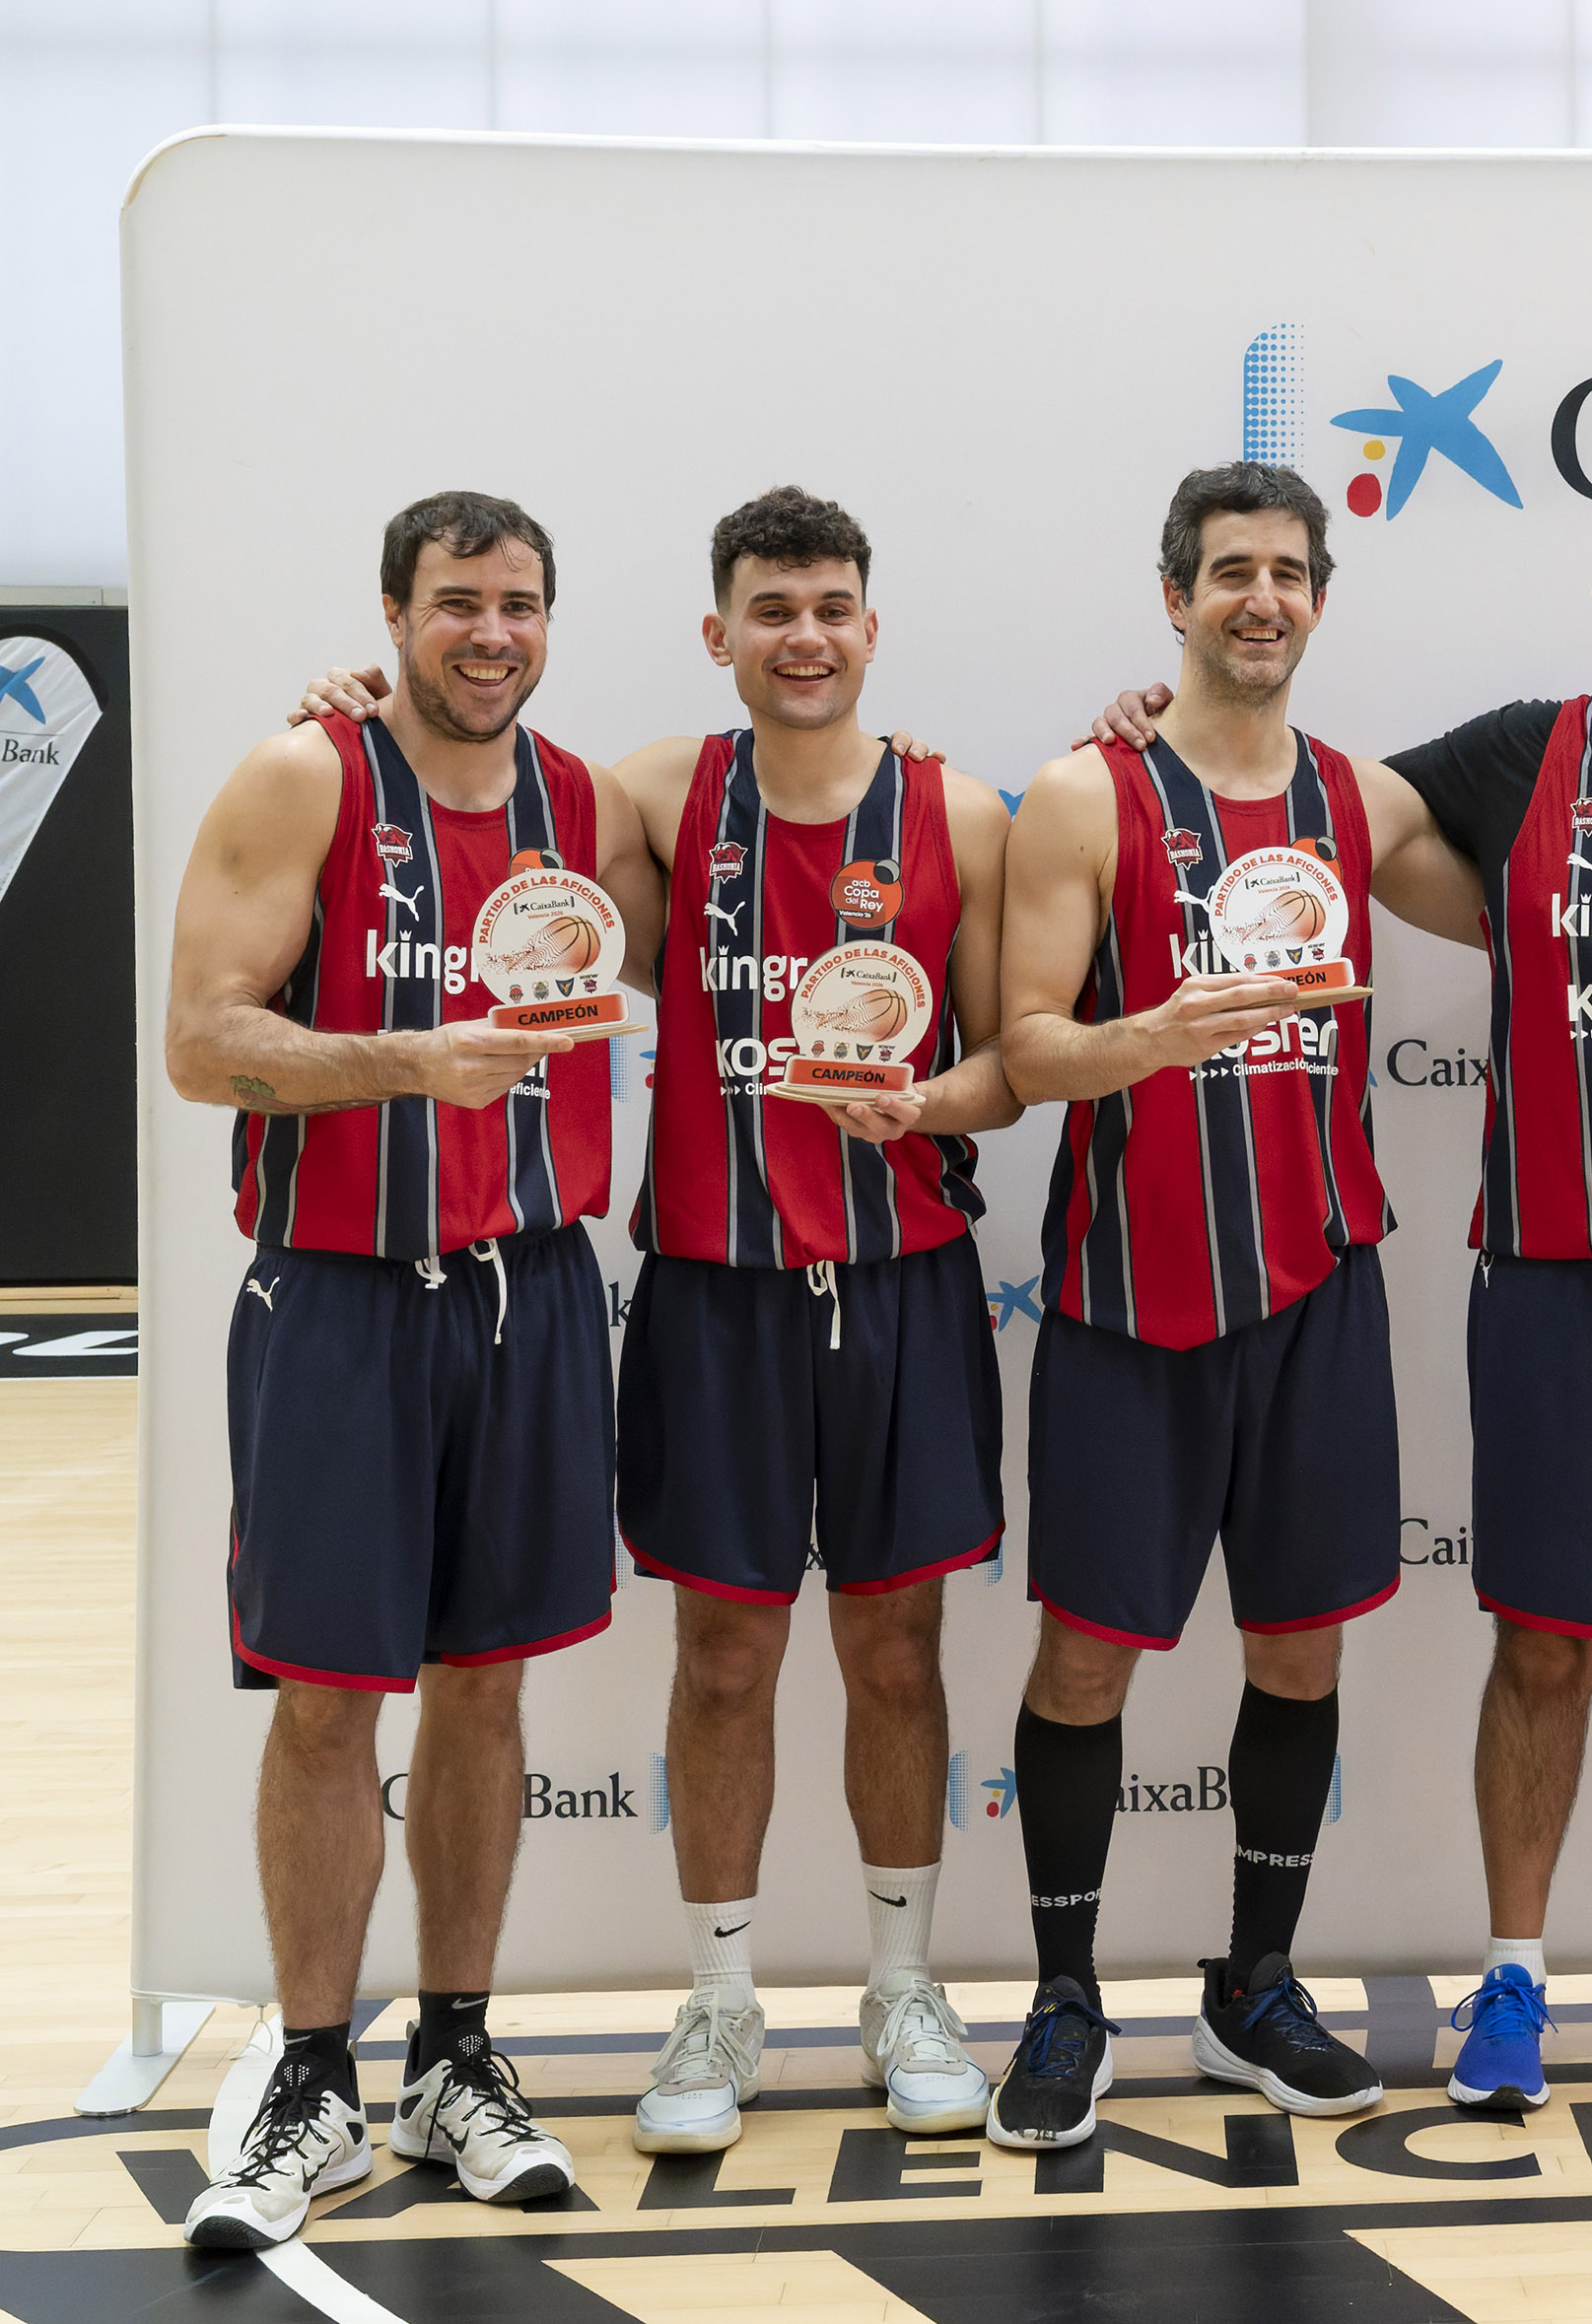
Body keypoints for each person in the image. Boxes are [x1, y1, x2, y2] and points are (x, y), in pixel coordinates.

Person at [1089, 492, 1592, 2112]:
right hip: (1549, 1278)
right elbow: (1294, 803)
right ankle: (1514, 1980)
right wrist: (1155, 726)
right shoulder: (1514, 758)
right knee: (1545, 1643)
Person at [288, 487, 1021, 2155]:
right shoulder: (654, 799)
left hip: (904, 1280)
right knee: (724, 1655)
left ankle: (905, 1986)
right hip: (712, 1292)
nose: (806, 635)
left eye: (833, 604)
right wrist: (361, 712)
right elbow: (476, 803)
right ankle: (723, 1991)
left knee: (896, 1651)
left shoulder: (961, 813)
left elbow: (1012, 1060)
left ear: (871, 624)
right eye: (772, 609)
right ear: (720, 634)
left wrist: (927, 1105)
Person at [165, 493, 659, 2247]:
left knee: (488, 1688)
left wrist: (1125, 721)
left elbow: (805, 767)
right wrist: (399, 1061)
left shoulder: (585, 799)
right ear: (393, 611)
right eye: (457, 604)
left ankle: (458, 2054)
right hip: (344, 1297)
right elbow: (202, 1040)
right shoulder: (307, 776)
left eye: (520, 605)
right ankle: (310, 2079)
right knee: (324, 1695)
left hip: (528, 1294)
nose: (491, 634)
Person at [989, 463, 1484, 2149]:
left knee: (1300, 1642)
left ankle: (1253, 1983)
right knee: (1083, 1662)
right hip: (1135, 1294)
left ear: (1321, 599)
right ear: (1175, 595)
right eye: (1228, 573)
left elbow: (1545, 924)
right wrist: (1160, 1034)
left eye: (1288, 572)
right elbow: (1029, 1045)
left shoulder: (1363, 801)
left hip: (1317, 1283)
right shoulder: (1083, 794)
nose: (1258, 599)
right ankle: (1065, 1998)